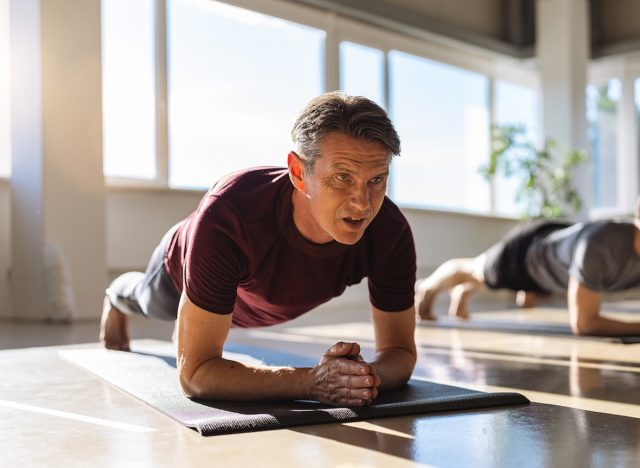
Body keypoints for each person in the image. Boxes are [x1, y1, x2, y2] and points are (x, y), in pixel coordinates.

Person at [100, 92, 417, 407]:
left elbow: (400, 354)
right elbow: (195, 376)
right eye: (342, 177)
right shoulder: (229, 214)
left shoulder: (390, 232)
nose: (362, 203)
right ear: (297, 173)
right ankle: (116, 295)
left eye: (376, 180)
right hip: (177, 275)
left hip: (255, 298)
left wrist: (360, 379)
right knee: (147, 301)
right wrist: (311, 382)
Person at [415, 210, 640, 337]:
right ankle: (427, 287)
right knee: (474, 269)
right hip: (528, 253)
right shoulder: (601, 245)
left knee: (487, 278)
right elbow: (584, 324)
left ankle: (463, 291)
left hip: (554, 253)